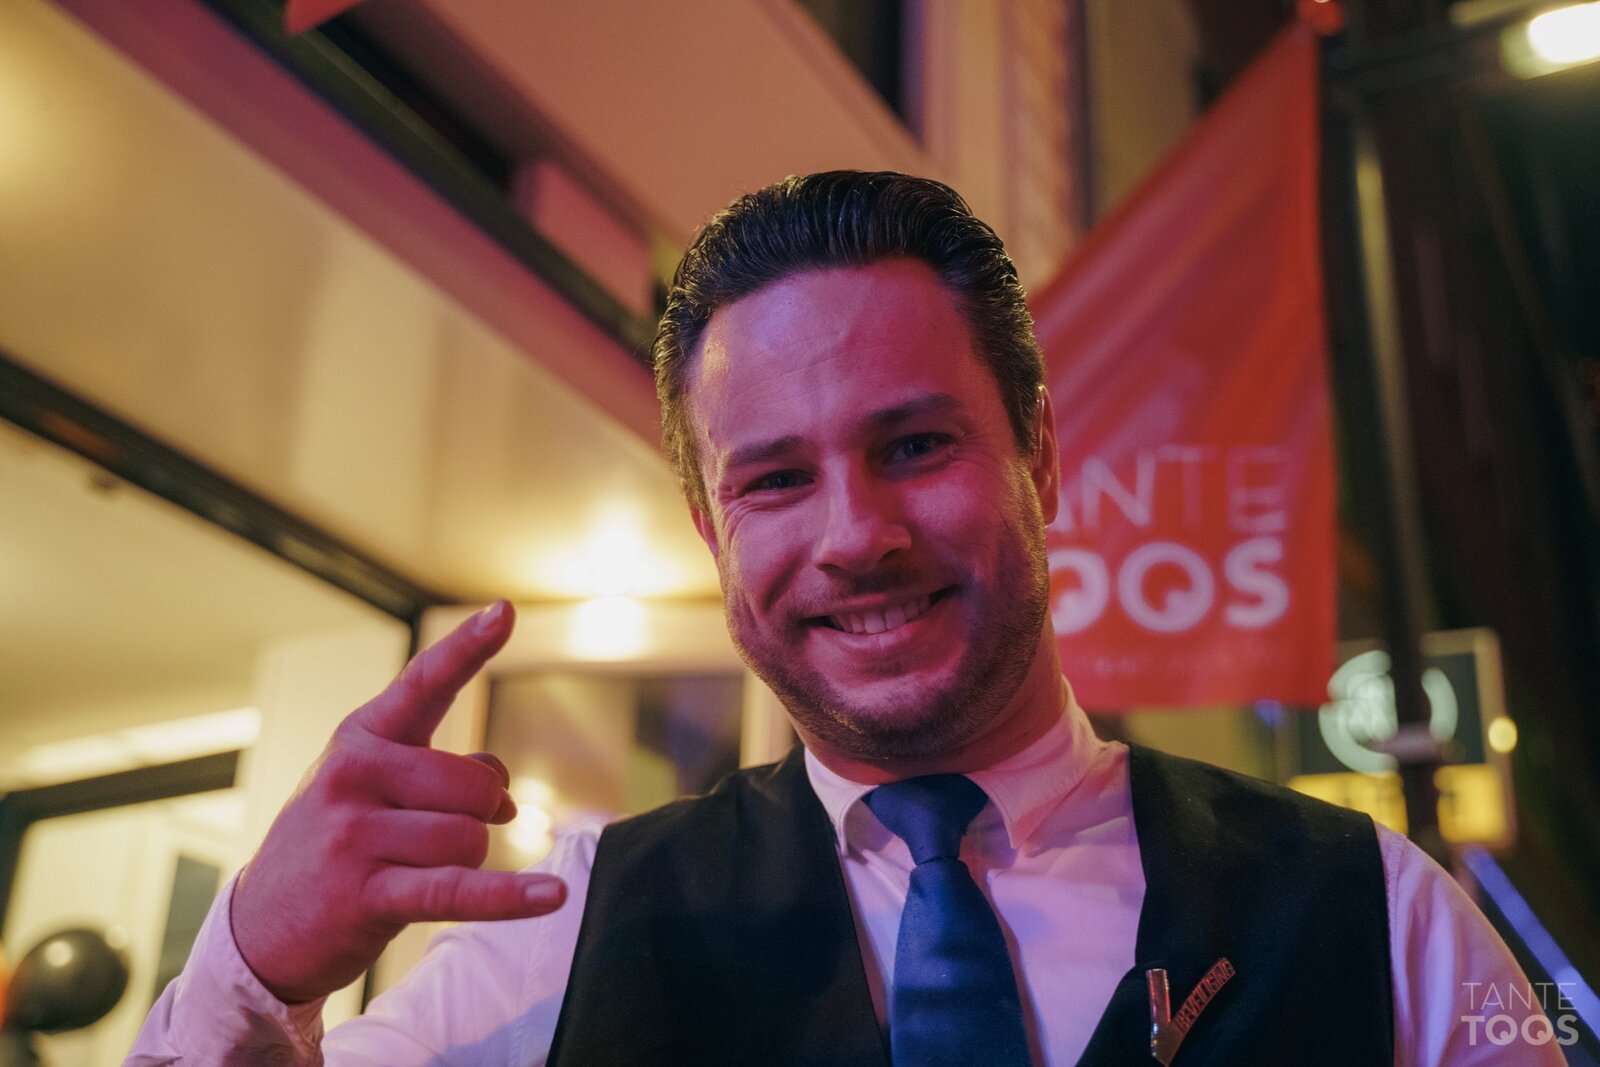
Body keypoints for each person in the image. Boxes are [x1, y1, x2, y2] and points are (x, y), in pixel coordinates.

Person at [127, 171, 1558, 1066]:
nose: (855, 535)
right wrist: (255, 965)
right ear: (713, 530)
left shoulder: (1383, 915)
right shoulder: (563, 939)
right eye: (774, 479)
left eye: (915, 446)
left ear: (1040, 460)